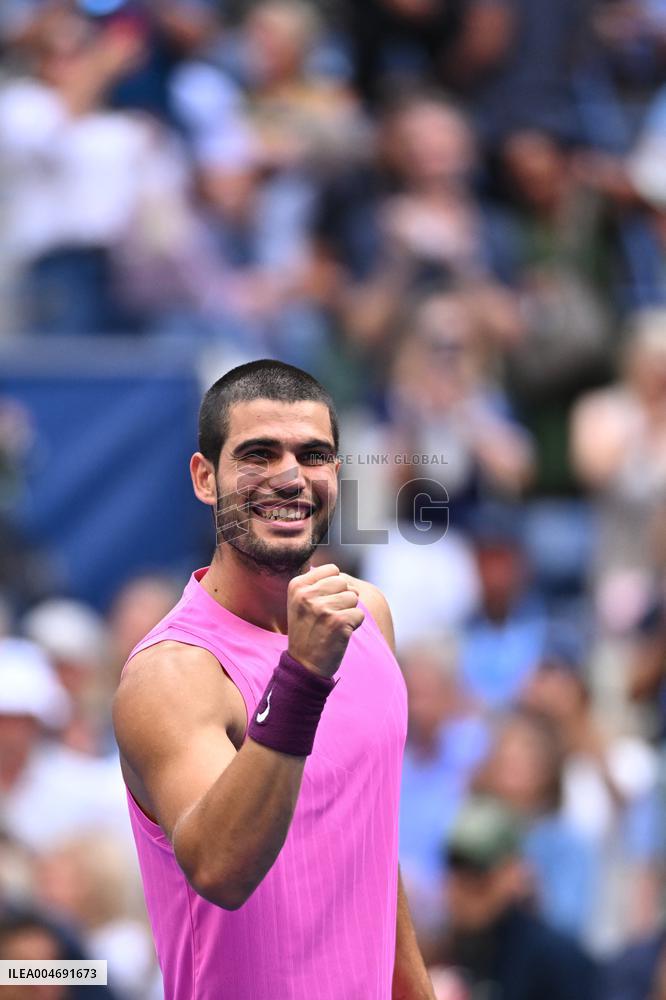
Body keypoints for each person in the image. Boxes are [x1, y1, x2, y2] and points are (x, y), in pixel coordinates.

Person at [112, 359, 435, 999]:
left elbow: (369, 844)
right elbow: (222, 869)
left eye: (312, 455)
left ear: (336, 476)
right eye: (259, 454)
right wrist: (303, 675)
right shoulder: (171, 673)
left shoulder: (367, 616)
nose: (289, 478)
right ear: (206, 478)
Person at [429, 795, 601, 1000]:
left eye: (478, 874)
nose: (464, 887)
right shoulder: (432, 949)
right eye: (456, 869)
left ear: (514, 873)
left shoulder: (557, 960)